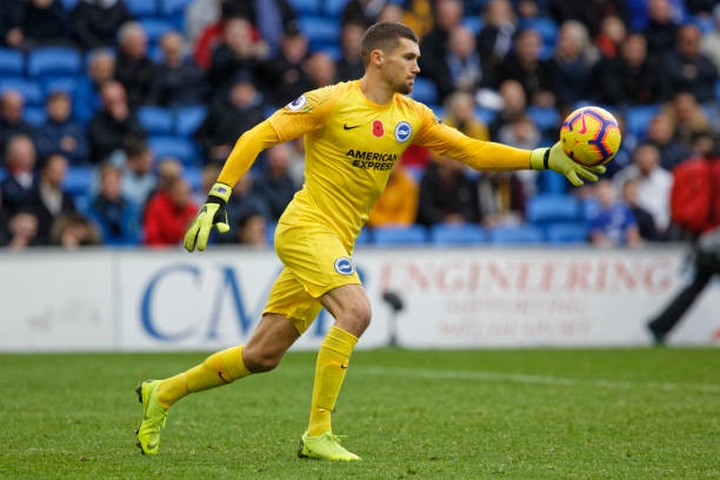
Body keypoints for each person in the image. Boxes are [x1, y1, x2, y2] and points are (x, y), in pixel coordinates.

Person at [134, 21, 605, 461]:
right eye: (409, 57)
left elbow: (471, 151)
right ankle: (318, 433)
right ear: (377, 58)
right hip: (305, 228)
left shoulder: (412, 116)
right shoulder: (329, 102)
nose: (419, 67)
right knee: (357, 311)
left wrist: (543, 157)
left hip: (338, 241)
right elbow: (256, 136)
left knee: (262, 356)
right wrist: (218, 196)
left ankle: (164, 392)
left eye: (419, 58)